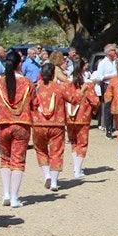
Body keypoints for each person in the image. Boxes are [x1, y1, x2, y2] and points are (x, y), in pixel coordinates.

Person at [0, 50, 34, 207]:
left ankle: (6, 193)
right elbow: (34, 104)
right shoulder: (28, 83)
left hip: (3, 125)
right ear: (19, 64)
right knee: (18, 160)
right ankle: (15, 196)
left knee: (5, 159)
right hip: (21, 125)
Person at [31, 62, 67, 191]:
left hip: (38, 124)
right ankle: (54, 181)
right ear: (53, 74)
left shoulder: (35, 88)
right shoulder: (59, 88)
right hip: (56, 124)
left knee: (41, 150)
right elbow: (74, 99)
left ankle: (47, 174)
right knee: (56, 152)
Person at [62, 60, 99, 178]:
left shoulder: (67, 83)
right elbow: (95, 100)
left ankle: (75, 166)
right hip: (83, 116)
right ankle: (78, 169)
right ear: (83, 68)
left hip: (69, 116)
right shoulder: (87, 84)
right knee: (82, 143)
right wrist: (94, 110)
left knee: (73, 141)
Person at [90, 43, 118, 136]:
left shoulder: (116, 61)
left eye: (115, 50)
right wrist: (112, 76)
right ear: (108, 52)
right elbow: (100, 77)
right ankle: (108, 128)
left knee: (117, 106)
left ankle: (117, 127)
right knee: (108, 107)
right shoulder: (103, 63)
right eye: (112, 50)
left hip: (117, 85)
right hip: (107, 86)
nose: (115, 51)